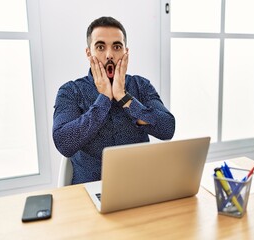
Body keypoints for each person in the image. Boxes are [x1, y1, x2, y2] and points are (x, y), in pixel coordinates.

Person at [52, 16, 175, 184]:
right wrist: (104, 99)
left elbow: (167, 129)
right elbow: (64, 143)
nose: (109, 55)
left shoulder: (141, 86)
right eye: (100, 47)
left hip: (139, 185)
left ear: (126, 52)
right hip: (90, 189)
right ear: (89, 53)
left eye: (117, 47)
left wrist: (124, 97)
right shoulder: (70, 91)